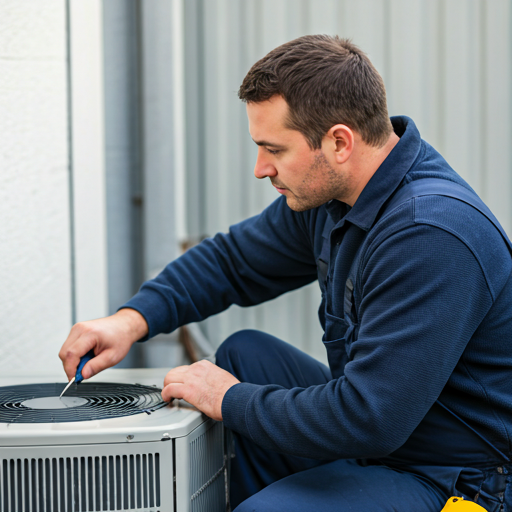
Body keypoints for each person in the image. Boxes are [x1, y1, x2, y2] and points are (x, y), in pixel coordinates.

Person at [59, 35, 512, 511]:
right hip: (391, 443)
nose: (260, 168)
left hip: (464, 479)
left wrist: (230, 400)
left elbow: (369, 417)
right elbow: (231, 262)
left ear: (339, 142)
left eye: (273, 148)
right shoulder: (334, 197)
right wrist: (129, 321)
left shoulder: (429, 233)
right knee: (243, 355)